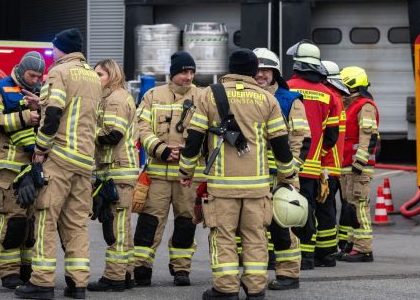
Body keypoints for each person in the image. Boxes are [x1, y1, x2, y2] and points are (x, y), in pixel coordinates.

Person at [179, 49, 295, 300]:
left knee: (223, 237)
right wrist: (288, 175)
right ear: (254, 71)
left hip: (222, 187)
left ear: (228, 69)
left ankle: (226, 288)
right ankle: (255, 289)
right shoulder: (267, 99)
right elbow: (281, 144)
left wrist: (186, 169)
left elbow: (194, 138)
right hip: (258, 187)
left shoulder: (209, 95)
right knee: (256, 237)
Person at [15, 28, 102, 300]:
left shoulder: (59, 72)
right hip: (84, 158)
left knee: (46, 218)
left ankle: (41, 282)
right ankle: (78, 285)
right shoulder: (92, 76)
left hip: (60, 156)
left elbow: (54, 113)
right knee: (76, 223)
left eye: (53, 48)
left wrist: (41, 149)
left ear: (60, 48)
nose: (52, 53)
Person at [132, 51, 203, 287]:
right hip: (159, 174)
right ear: (173, 73)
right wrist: (161, 149)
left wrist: (189, 151)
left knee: (186, 222)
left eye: (192, 72)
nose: (188, 76)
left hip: (188, 176)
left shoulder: (203, 96)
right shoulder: (153, 95)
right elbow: (141, 127)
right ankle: (141, 267)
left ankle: (181, 269)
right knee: (149, 222)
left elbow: (210, 131)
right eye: (184, 71)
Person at [251, 48, 310, 291]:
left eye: (266, 70)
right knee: (252, 227)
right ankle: (255, 273)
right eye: (257, 70)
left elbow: (302, 140)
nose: (261, 75)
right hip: (252, 177)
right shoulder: (245, 98)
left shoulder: (289, 100)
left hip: (280, 176)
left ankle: (288, 275)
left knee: (282, 227)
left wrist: (290, 172)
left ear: (275, 72)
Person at [285, 40, 342, 271]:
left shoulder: (286, 88)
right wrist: (318, 155)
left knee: (284, 209)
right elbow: (332, 136)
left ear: (298, 64)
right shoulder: (329, 95)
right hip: (312, 167)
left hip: (286, 164)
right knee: (309, 210)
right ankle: (309, 257)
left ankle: (290, 255)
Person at [0, 51, 44, 289]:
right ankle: (8, 272)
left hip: (34, 169)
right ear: (22, 70)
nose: (35, 81)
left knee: (31, 222)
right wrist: (25, 117)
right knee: (13, 222)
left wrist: (40, 109)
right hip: (9, 170)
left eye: (39, 77)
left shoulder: (41, 92)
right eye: (32, 75)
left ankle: (27, 268)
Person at [87, 59, 140, 292]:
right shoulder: (110, 97)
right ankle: (126, 273)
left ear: (113, 75)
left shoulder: (115, 99)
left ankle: (114, 277)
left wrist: (85, 129)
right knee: (124, 226)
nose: (96, 78)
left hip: (117, 170)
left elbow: (112, 135)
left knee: (116, 225)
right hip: (116, 170)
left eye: (100, 74)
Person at [337, 66, 379, 263]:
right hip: (347, 166)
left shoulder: (365, 106)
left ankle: (364, 249)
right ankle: (352, 245)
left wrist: (359, 163)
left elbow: (369, 137)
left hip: (357, 167)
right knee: (351, 207)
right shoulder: (349, 105)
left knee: (359, 207)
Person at [312, 61, 348, 267]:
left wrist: (317, 156)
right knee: (328, 209)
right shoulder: (338, 98)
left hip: (324, 164)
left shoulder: (330, 97)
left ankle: (324, 253)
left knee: (323, 209)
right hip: (333, 165)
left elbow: (328, 135)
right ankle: (328, 250)